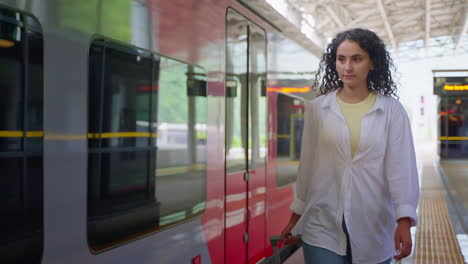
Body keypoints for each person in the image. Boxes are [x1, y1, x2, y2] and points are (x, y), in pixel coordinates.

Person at [280, 28, 420, 264]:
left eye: (357, 59)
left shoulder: (391, 111)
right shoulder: (319, 109)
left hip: (373, 224)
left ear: (372, 63)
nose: (347, 67)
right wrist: (295, 218)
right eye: (341, 59)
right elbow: (308, 167)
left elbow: (401, 170)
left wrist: (404, 221)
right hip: (321, 223)